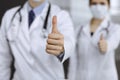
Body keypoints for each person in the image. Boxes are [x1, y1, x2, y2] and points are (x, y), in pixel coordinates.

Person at [0, 0, 75, 80]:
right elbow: (2, 59)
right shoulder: (10, 16)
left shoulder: (61, 16)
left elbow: (69, 42)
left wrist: (61, 48)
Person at [68, 0, 120, 80]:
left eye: (102, 3)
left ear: (108, 6)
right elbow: (73, 61)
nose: (98, 7)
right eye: (94, 3)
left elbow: (113, 41)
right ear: (89, 5)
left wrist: (106, 45)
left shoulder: (114, 28)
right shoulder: (79, 30)